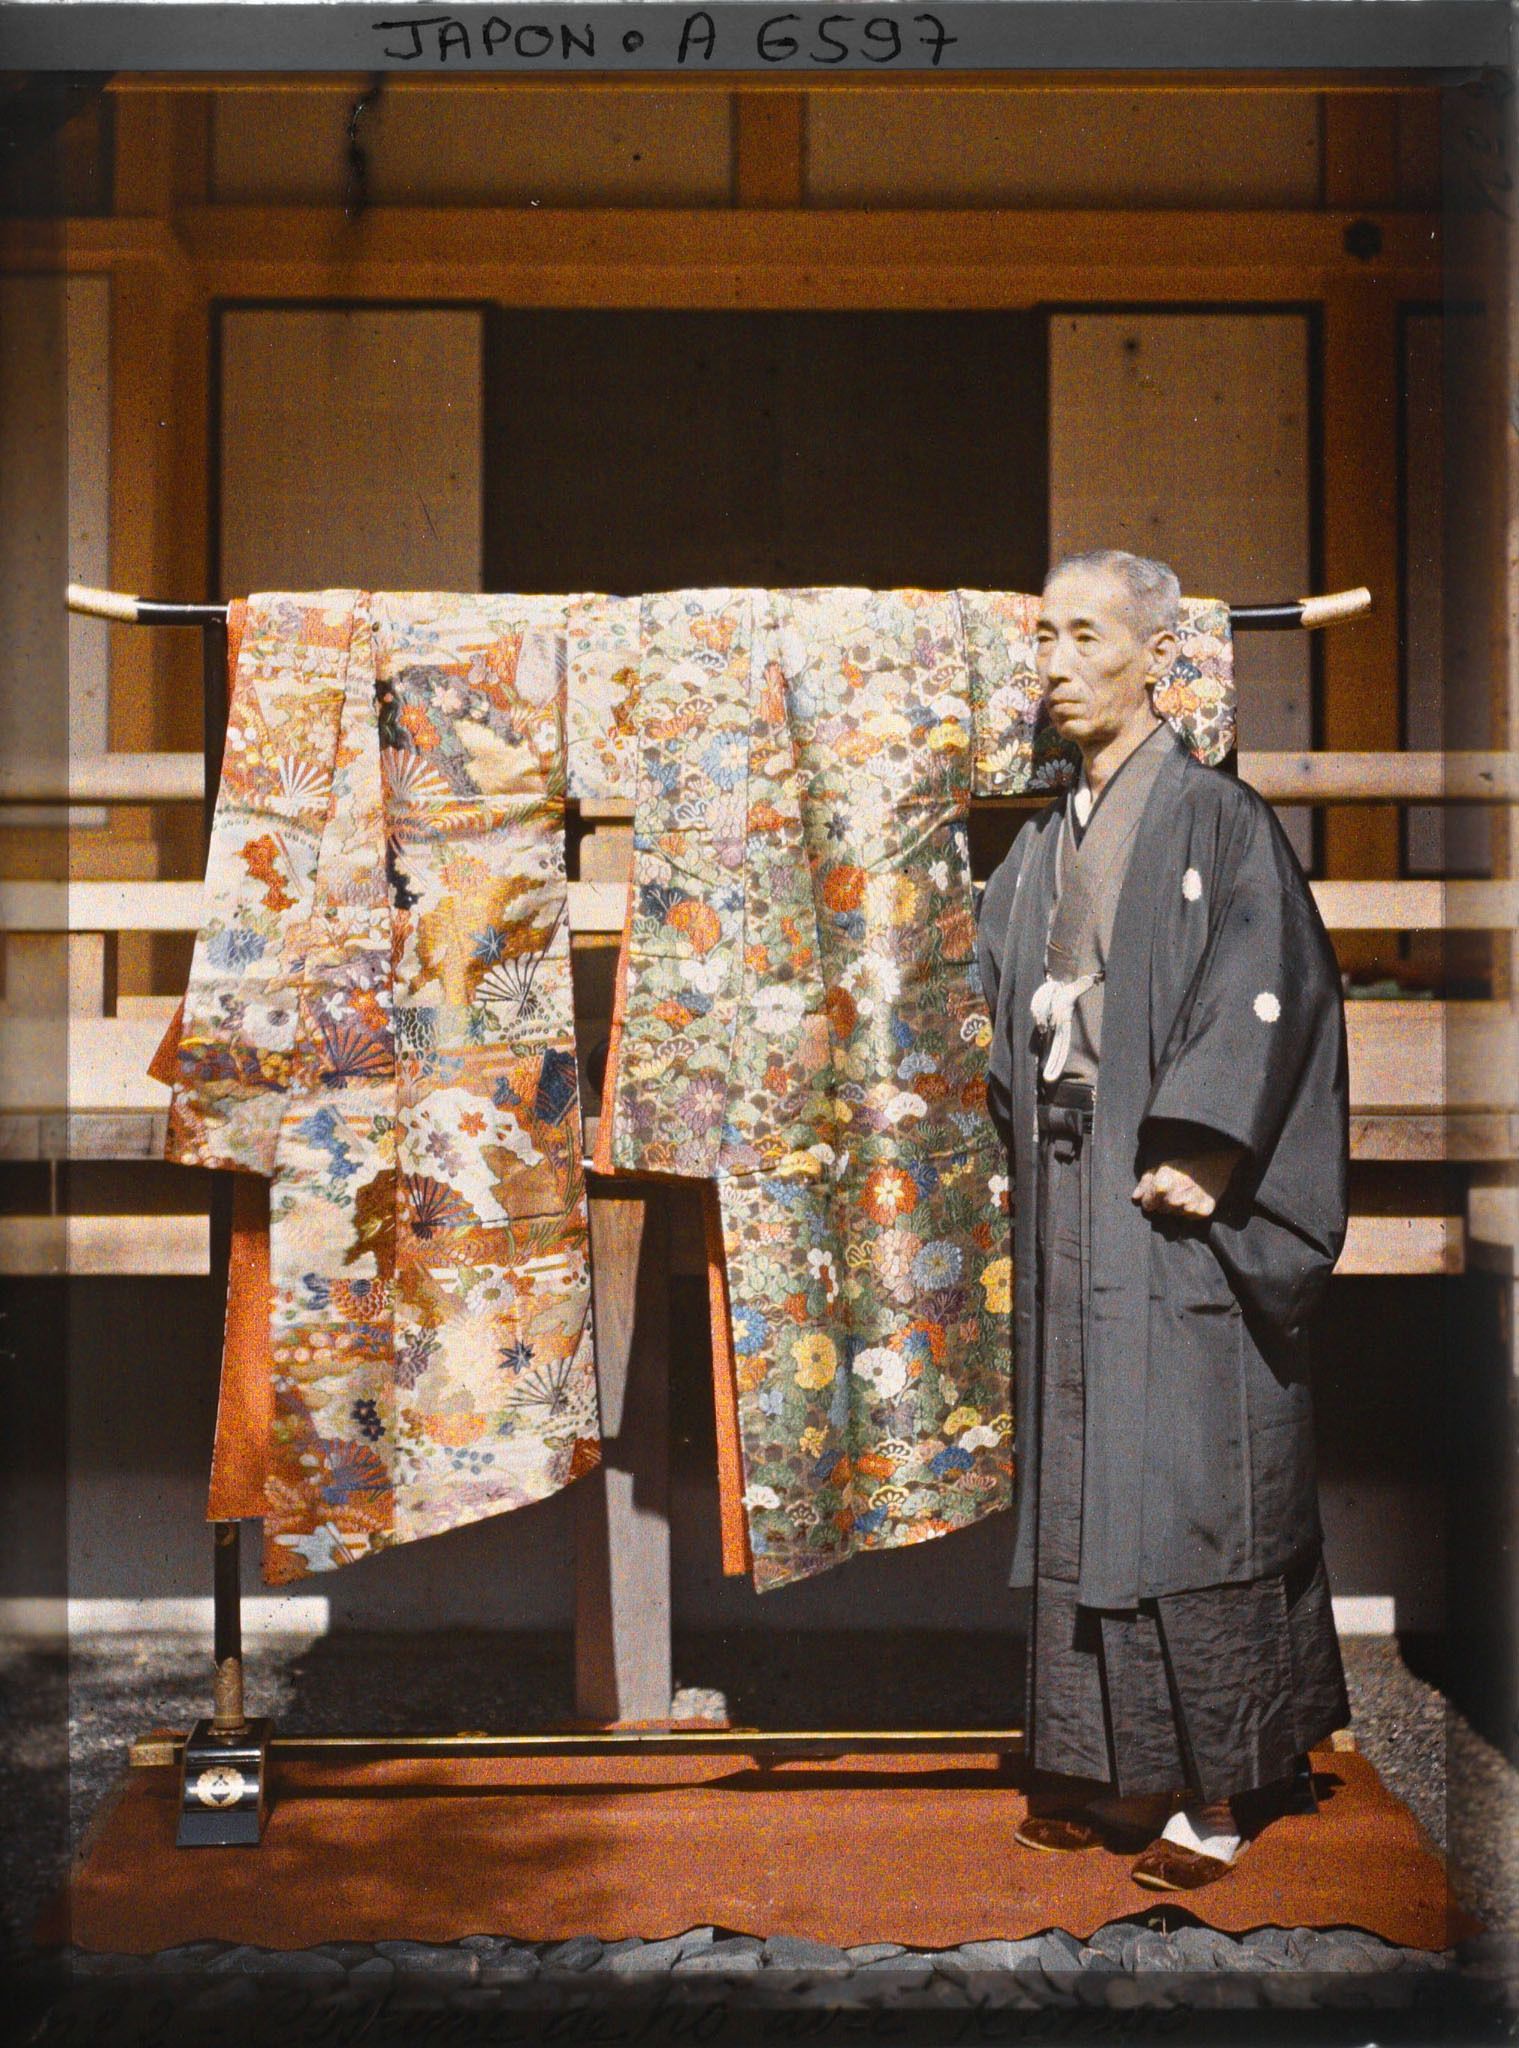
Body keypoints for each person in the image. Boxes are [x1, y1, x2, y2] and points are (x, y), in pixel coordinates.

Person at [976, 549, 1351, 1891]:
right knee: (1093, 1476)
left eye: (1088, 636)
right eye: (1045, 638)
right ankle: (1115, 1764)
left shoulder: (1215, 820)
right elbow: (1010, 1006)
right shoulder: (1044, 841)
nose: (1059, 664)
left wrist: (1207, 1143)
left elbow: (1273, 985)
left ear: (1155, 655)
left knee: (1198, 1488)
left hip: (1176, 1198)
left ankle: (1237, 1784)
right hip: (1079, 1191)